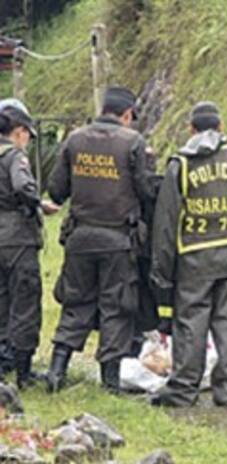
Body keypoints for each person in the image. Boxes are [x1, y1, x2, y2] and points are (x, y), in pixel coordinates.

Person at [149, 101, 227, 407]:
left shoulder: (180, 165)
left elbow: (166, 222)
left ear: (191, 129)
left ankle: (183, 390)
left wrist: (162, 270)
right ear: (221, 127)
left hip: (194, 259)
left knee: (191, 324)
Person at [46, 86, 154, 394]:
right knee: (116, 307)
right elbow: (146, 191)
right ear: (127, 114)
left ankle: (56, 371)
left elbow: (56, 191)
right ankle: (110, 382)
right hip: (118, 241)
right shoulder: (133, 142)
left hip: (80, 238)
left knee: (76, 302)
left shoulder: (74, 139)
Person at [0, 102, 59, 388]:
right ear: (20, 131)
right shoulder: (14, 156)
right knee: (24, 301)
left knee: (1, 302)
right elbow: (23, 186)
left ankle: (3, 365)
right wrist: (39, 204)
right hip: (17, 240)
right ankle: (23, 373)